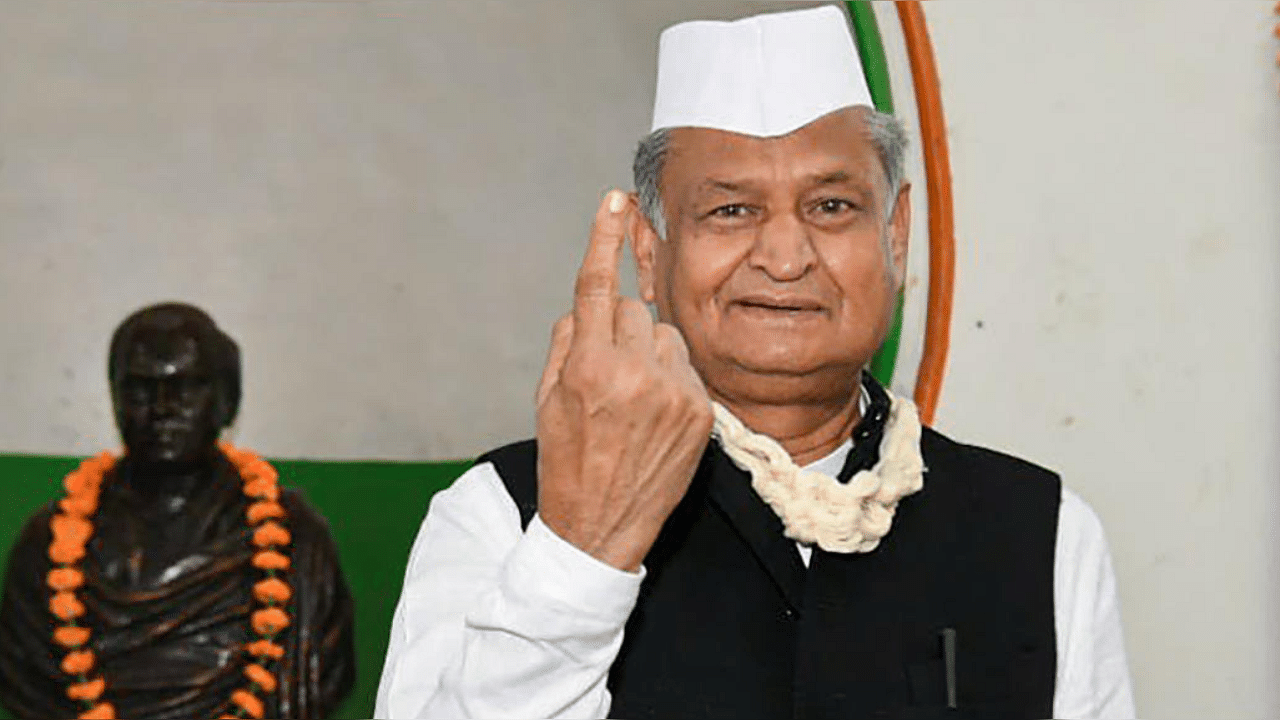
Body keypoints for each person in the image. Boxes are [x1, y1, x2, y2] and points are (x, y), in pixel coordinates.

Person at [375, 6, 1134, 719]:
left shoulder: (1038, 534)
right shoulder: (503, 514)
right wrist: (583, 549)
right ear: (649, 249)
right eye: (730, 210)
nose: (783, 256)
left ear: (896, 235)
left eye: (831, 206)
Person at [0, 303, 355, 720]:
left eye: (186, 388)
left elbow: (318, 677)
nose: (162, 407)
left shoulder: (296, 540)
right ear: (114, 399)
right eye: (139, 389)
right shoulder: (48, 544)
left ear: (228, 401)